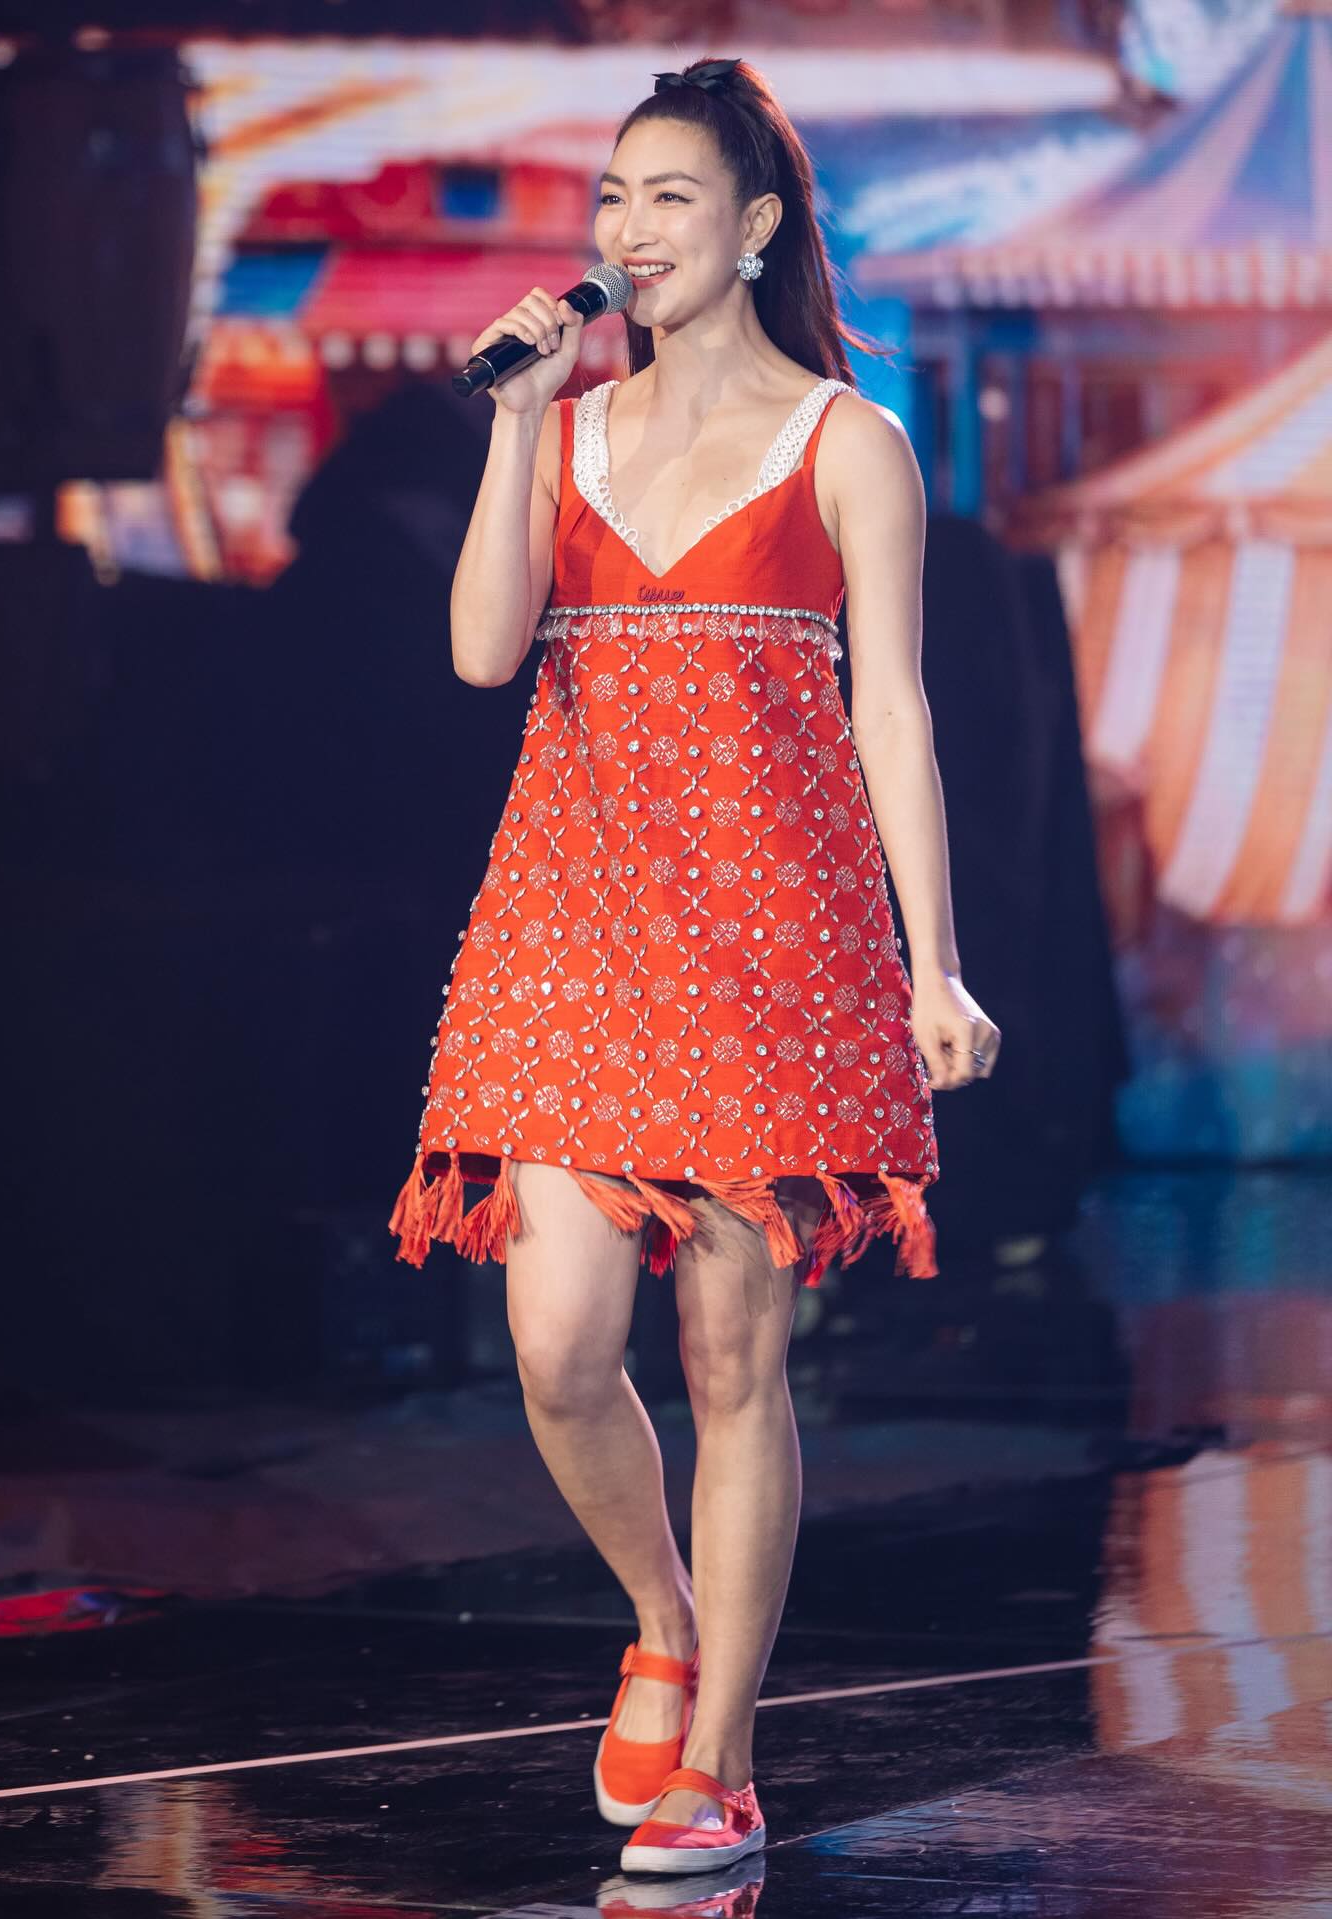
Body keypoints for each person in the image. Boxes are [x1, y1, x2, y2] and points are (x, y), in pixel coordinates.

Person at [389, 55, 1000, 1876]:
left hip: (771, 944)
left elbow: (895, 712)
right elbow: (481, 655)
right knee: (558, 1349)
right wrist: (515, 424)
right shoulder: (567, 430)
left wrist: (937, 967)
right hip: (568, 931)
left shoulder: (846, 442)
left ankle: (718, 1756)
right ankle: (661, 1619)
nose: (630, 229)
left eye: (669, 197)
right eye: (613, 197)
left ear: (753, 227)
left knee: (736, 1360)